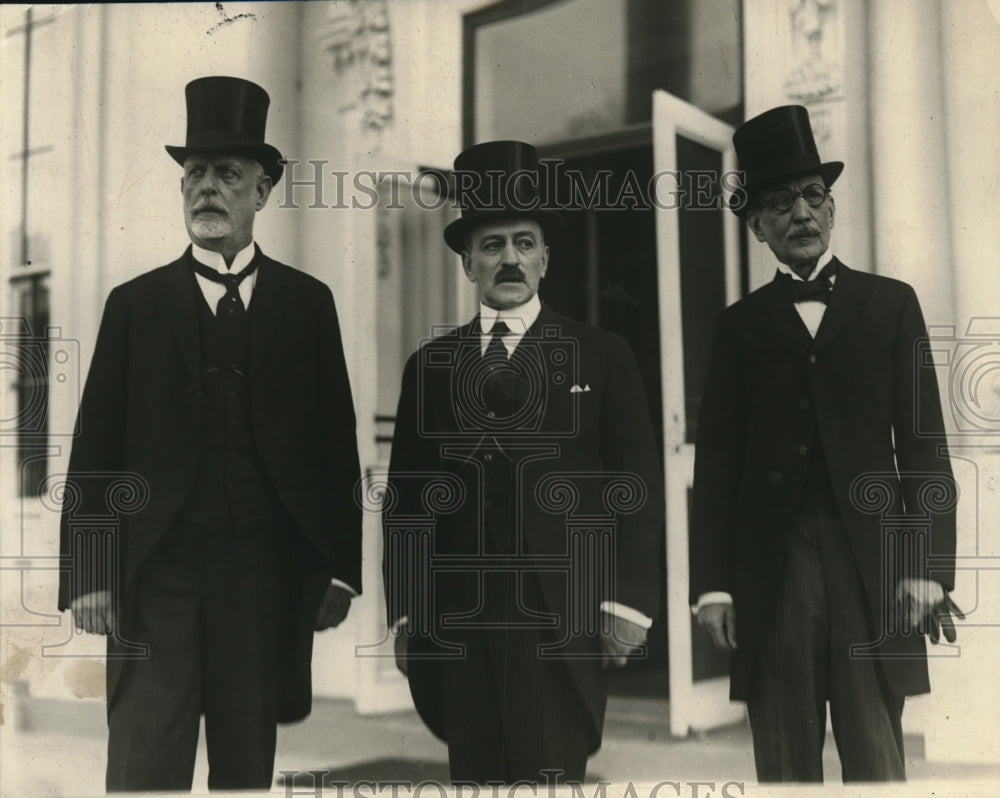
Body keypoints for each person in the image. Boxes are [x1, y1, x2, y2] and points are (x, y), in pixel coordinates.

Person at [57, 76, 363, 792]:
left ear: (262, 191)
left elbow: (335, 448)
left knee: (244, 769)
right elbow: (96, 449)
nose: (207, 188)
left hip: (262, 579)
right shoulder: (135, 306)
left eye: (228, 174)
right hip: (153, 576)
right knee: (141, 767)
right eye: (194, 172)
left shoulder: (307, 305)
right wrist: (92, 572)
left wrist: (342, 567)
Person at [690, 105, 963, 783]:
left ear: (833, 208)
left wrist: (927, 566)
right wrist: (713, 587)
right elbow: (717, 465)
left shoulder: (890, 305)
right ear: (757, 227)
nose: (801, 214)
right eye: (780, 203)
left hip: (873, 561)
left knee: (876, 746)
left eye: (812, 196)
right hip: (773, 565)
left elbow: (924, 447)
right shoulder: (739, 327)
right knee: (784, 749)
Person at [382, 141, 663, 784]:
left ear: (545, 257)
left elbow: (636, 487)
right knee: (475, 774)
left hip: (561, 614)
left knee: (549, 773)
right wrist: (406, 615)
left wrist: (628, 604)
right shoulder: (431, 368)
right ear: (467, 262)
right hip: (460, 620)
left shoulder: (601, 355)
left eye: (524, 241)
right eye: (491, 244)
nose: (509, 257)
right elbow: (406, 504)